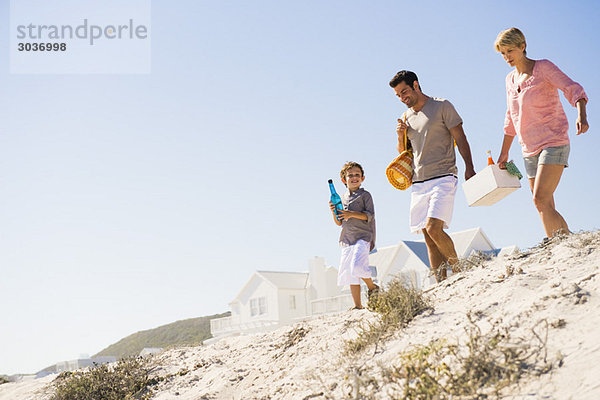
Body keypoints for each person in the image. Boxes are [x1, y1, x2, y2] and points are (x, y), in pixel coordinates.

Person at [494, 28, 589, 239]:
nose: (506, 57)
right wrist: (504, 153)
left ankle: (566, 242)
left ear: (522, 46)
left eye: (510, 50)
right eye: (502, 53)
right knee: (544, 204)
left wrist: (581, 115)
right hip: (528, 149)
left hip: (553, 141)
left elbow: (572, 88)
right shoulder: (509, 80)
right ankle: (559, 244)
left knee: (540, 198)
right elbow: (511, 118)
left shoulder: (543, 68)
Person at [389, 70, 475, 282]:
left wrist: (469, 167)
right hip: (418, 182)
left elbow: (461, 138)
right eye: (398, 95)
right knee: (428, 238)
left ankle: (461, 273)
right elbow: (403, 154)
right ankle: (441, 283)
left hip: (444, 175)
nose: (402, 98)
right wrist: (400, 135)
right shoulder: (406, 117)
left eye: (405, 91)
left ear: (416, 85)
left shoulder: (442, 106)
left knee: (434, 228)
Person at [328, 161, 379, 309]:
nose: (354, 177)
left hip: (363, 237)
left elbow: (369, 216)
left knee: (357, 266)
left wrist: (352, 214)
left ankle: (372, 287)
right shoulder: (341, 198)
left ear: (363, 178)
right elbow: (339, 222)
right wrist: (333, 212)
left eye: (357, 175)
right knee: (350, 274)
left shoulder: (365, 195)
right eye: (350, 175)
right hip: (347, 239)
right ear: (344, 180)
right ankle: (358, 306)